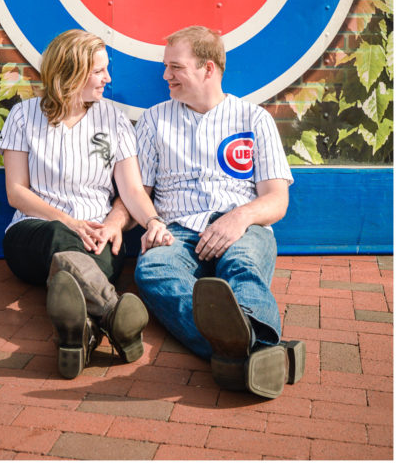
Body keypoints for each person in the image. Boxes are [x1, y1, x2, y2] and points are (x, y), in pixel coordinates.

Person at [130, 26, 305, 399]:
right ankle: (259, 351)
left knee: (242, 265)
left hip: (242, 226)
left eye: (175, 67)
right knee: (152, 270)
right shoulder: (154, 120)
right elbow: (138, 191)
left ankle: (234, 353)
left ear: (208, 69)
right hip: (177, 230)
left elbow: (277, 200)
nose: (165, 76)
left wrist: (239, 218)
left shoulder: (254, 119)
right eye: (166, 67)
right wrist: (153, 222)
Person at [0, 30, 173, 378]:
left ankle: (80, 336)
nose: (108, 78)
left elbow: (133, 190)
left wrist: (146, 221)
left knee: (83, 262)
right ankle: (114, 313)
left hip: (99, 234)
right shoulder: (23, 116)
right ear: (70, 72)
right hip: (34, 233)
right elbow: (16, 193)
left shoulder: (114, 119)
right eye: (99, 71)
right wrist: (67, 221)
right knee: (59, 240)